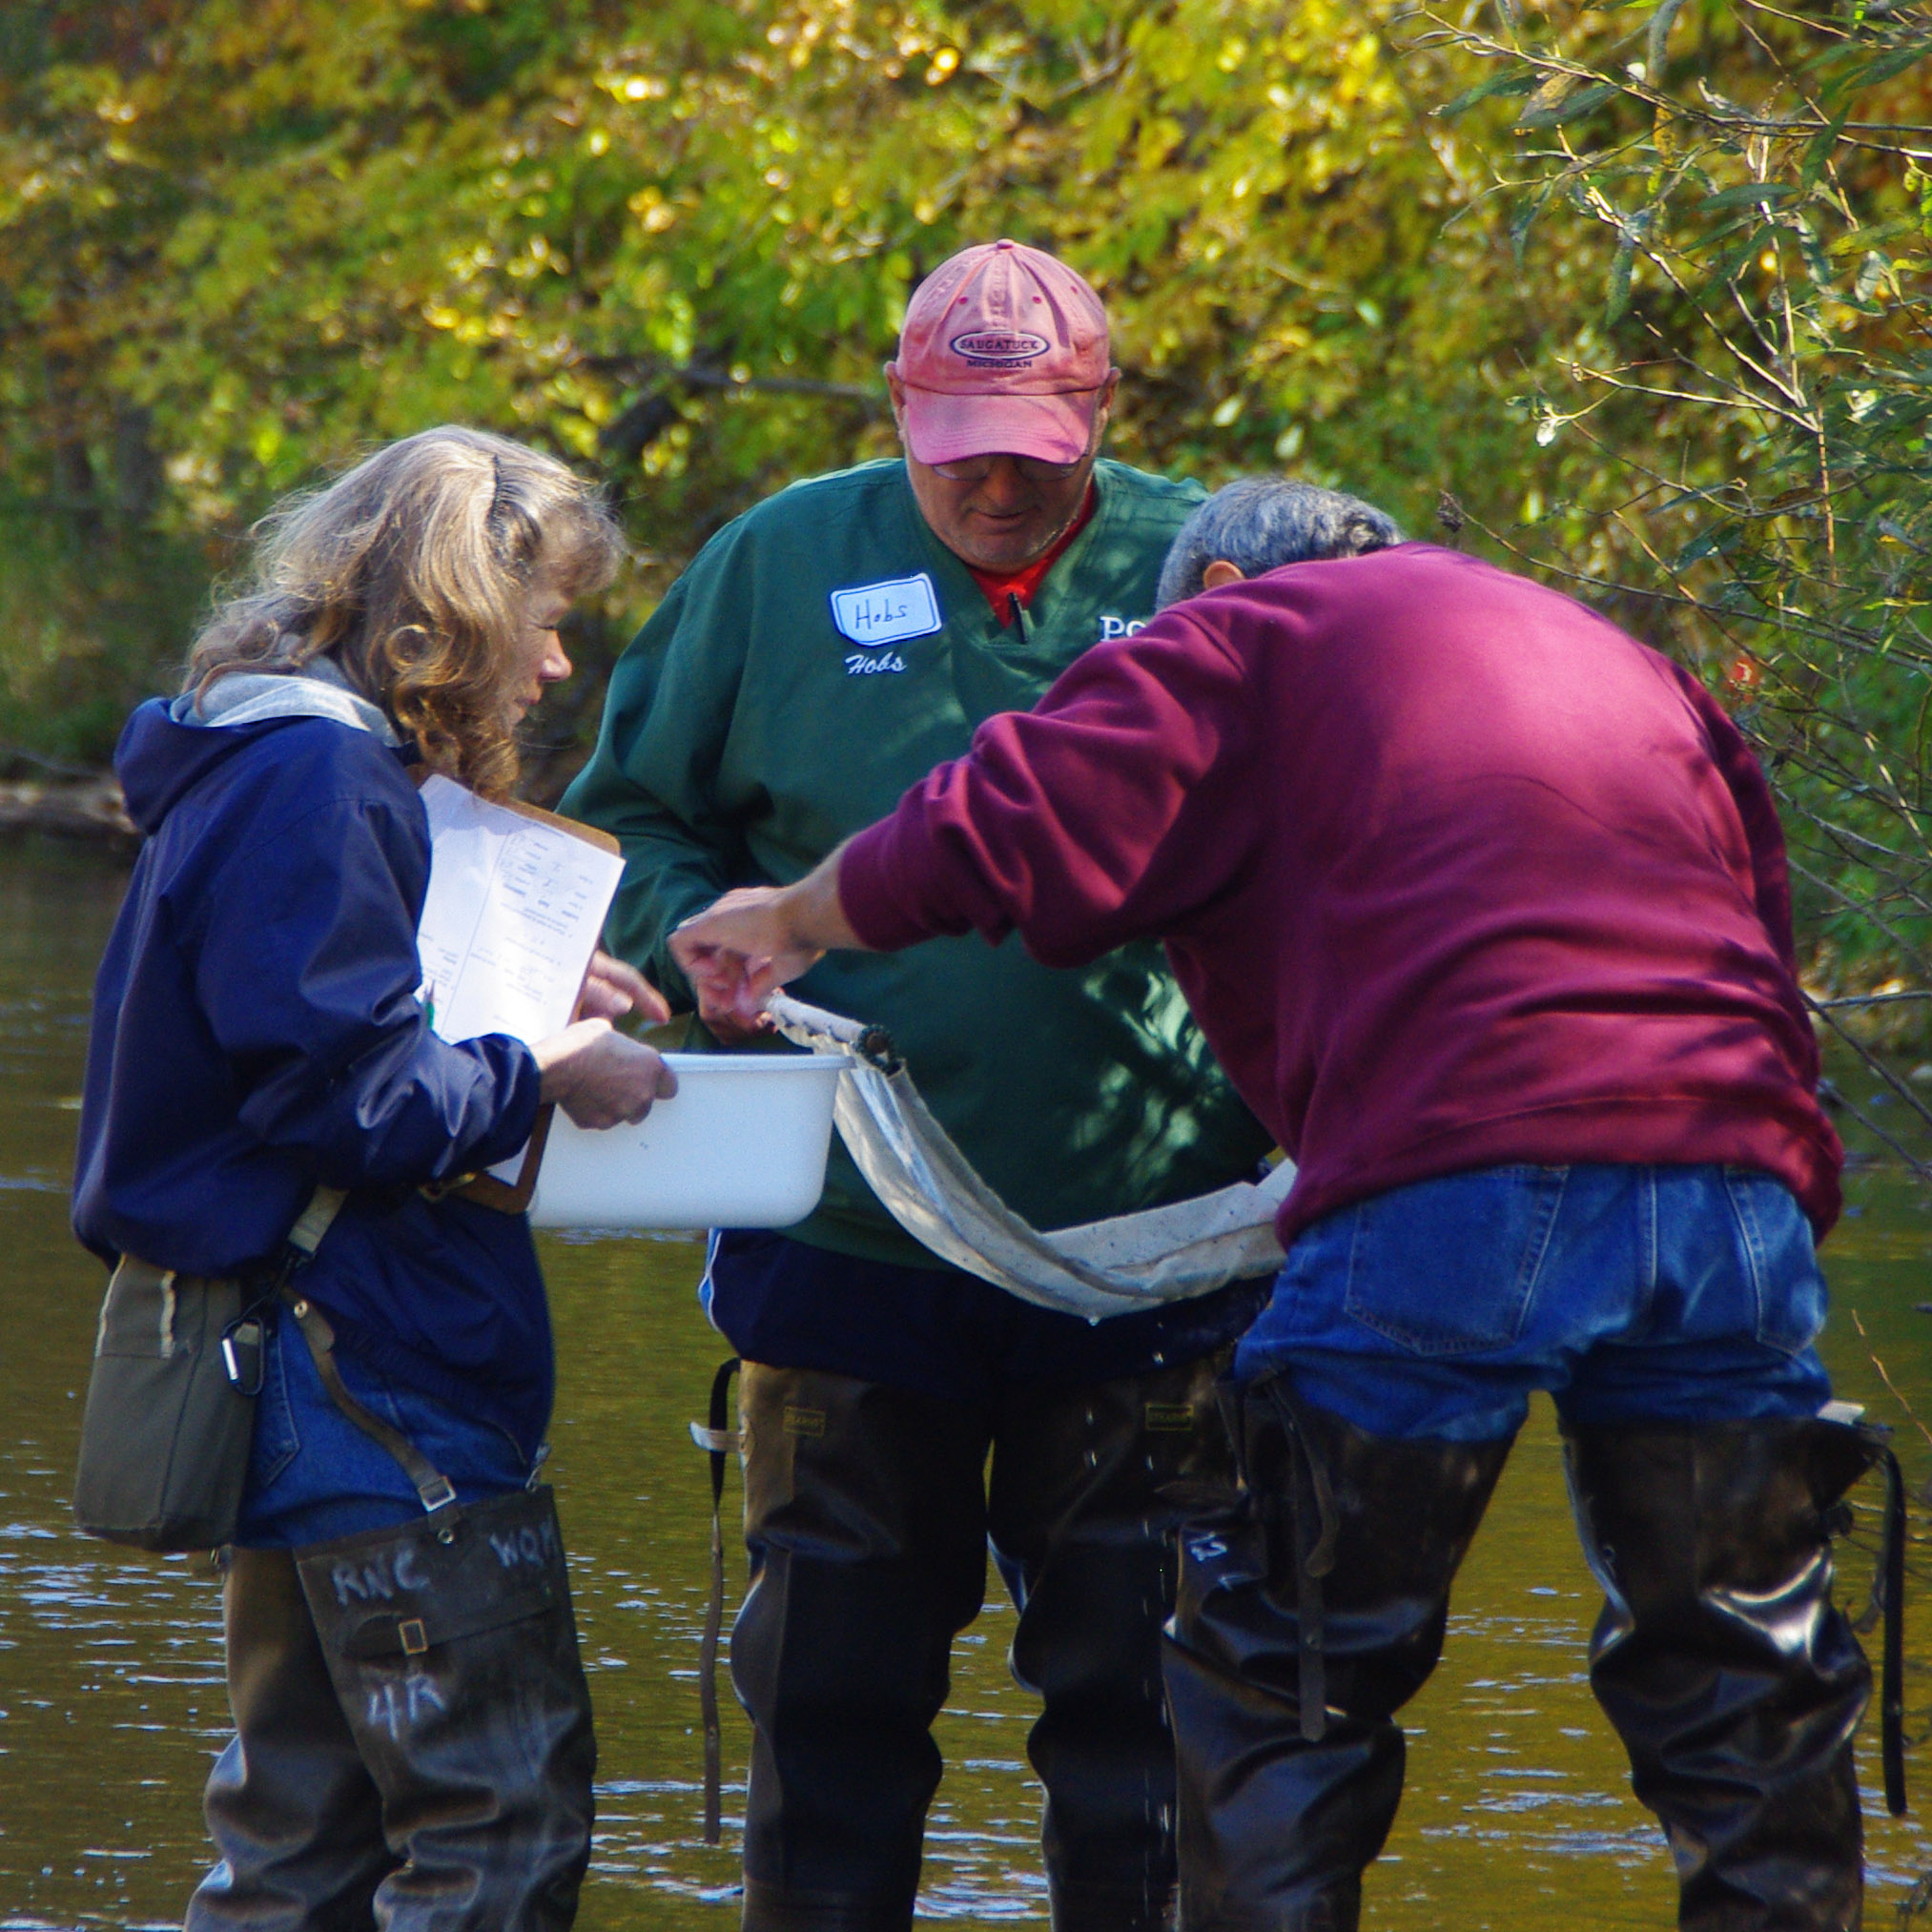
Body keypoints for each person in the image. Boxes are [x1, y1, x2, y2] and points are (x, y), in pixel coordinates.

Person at [668, 476, 1884, 1932]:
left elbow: (1007, 815)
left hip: (1446, 1183)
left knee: (1286, 1676)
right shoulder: (1624, 660)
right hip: (1725, 1179)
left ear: (1225, 577)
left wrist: (790, 916)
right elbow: (1762, 928)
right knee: (1747, 1681)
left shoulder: (1245, 629)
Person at [562, 239, 1275, 1932]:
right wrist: (710, 962)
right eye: (957, 448)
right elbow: (633, 818)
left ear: (1101, 414)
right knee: (829, 1703)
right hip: (846, 1242)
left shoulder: (1212, 573)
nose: (998, 487)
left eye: (1037, 448)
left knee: (1150, 1715)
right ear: (898, 408)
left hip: (1158, 1254)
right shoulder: (776, 562)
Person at [72, 426, 678, 1929]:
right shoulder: (320, 778)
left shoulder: (281, 762)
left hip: (296, 1358)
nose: (550, 669)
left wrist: (528, 987)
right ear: (466, 615)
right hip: (362, 1372)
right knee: (497, 1822)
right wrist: (545, 1065)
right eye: (542, 627)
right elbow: (353, 1104)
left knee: (305, 1832)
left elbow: (312, 1033)